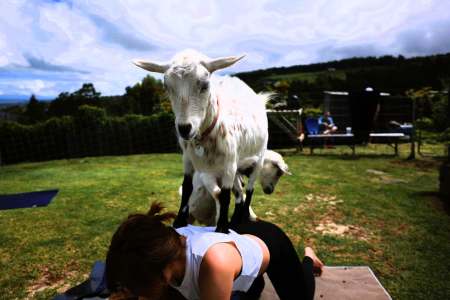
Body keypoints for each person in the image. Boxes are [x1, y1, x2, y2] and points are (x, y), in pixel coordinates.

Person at [105, 202, 324, 300]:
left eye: (135, 287)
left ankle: (308, 257)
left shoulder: (214, 263)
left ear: (162, 272)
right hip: (231, 236)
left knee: (301, 296)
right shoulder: (164, 245)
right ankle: (249, 281)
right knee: (246, 287)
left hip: (268, 242)